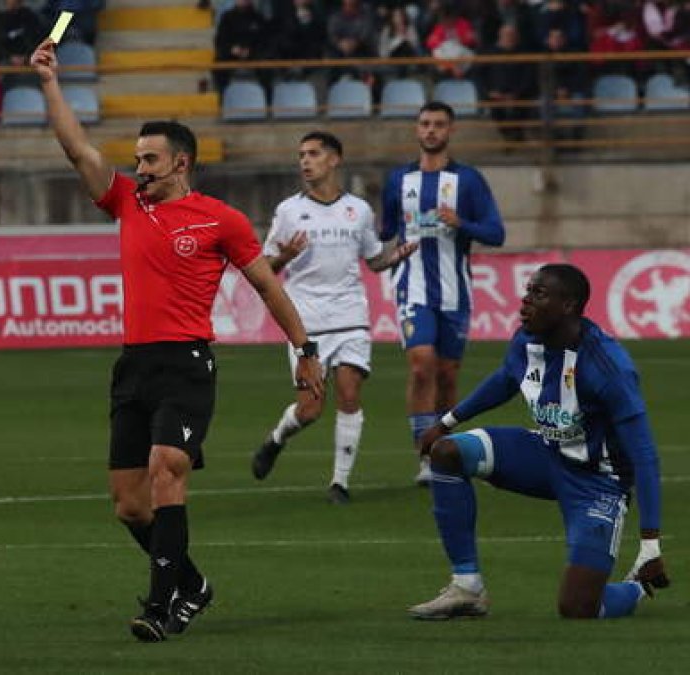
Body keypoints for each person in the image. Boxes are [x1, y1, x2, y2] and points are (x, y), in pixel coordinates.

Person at [30, 37, 324, 643]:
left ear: (182, 163)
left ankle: (162, 607)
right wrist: (49, 83)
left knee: (169, 469)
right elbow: (76, 148)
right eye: (137, 160)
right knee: (129, 505)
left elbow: (267, 286)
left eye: (151, 161)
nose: (140, 170)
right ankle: (193, 583)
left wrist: (306, 351)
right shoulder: (127, 205)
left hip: (187, 364)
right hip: (133, 365)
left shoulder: (222, 220)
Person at [409, 264, 669, 619]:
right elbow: (505, 380)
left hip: (598, 484)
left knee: (578, 608)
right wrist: (446, 422)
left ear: (568, 306)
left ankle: (637, 584)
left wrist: (650, 543)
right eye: (528, 291)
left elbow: (644, 455)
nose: (525, 301)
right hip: (545, 454)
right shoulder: (526, 340)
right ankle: (466, 587)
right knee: (448, 453)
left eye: (538, 294)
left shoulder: (608, 366)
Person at [251, 131, 417, 504]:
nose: (304, 161)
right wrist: (286, 256)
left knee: (349, 391)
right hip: (305, 321)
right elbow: (264, 269)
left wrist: (396, 256)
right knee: (310, 410)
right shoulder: (288, 211)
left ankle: (339, 483)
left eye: (312, 154)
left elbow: (374, 261)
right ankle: (277, 438)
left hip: (350, 316)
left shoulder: (358, 210)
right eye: (301, 155)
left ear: (334, 159)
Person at [380, 101, 505, 485]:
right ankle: (424, 457)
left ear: (450, 131)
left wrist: (462, 222)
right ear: (416, 130)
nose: (430, 130)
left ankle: (443, 452)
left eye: (438, 124)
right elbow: (383, 233)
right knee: (421, 367)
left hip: (455, 292)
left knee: (448, 375)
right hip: (412, 286)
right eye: (424, 124)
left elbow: (496, 233)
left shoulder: (467, 181)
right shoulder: (398, 181)